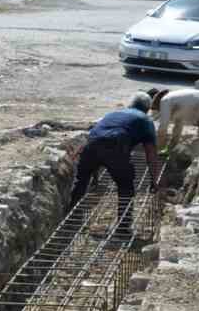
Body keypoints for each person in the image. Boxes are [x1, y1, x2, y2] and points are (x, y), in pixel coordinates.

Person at [67, 92, 162, 236]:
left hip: (92, 144)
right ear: (147, 108)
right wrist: (154, 180)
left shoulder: (113, 114)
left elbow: (96, 136)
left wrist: (93, 171)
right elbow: (151, 153)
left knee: (81, 182)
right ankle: (123, 228)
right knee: (126, 186)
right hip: (116, 144)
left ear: (130, 104)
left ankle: (71, 220)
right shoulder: (146, 120)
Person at [150, 86, 199, 159]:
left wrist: (159, 148)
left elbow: (163, 127)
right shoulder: (177, 102)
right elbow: (178, 127)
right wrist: (171, 148)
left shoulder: (165, 101)